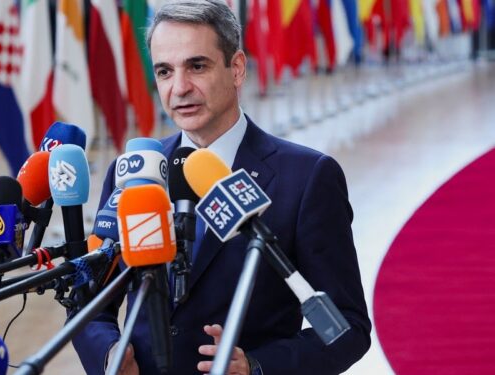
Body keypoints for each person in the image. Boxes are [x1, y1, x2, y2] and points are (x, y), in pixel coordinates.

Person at [71, 1, 371, 374]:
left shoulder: (307, 177)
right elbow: (91, 300)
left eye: (197, 66)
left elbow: (348, 328)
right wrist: (108, 355)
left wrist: (257, 367)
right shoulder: (131, 172)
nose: (179, 88)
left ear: (237, 68)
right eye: (165, 71)